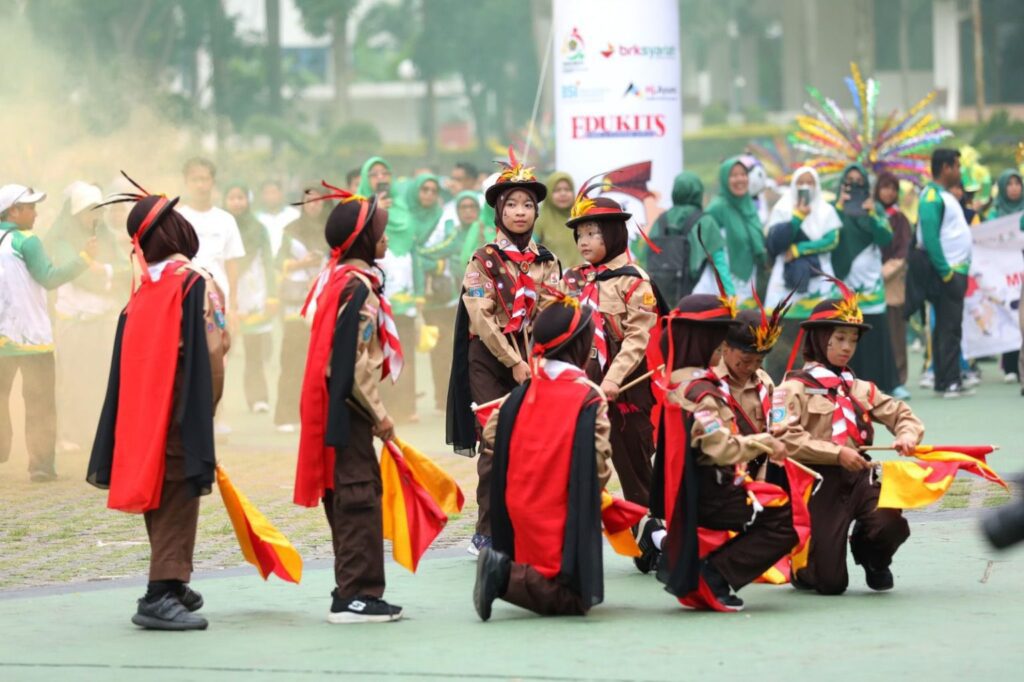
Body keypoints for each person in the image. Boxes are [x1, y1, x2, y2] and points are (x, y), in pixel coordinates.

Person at [87, 179, 229, 630]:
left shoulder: (141, 291)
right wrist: (207, 410)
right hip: (183, 410)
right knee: (178, 496)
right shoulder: (194, 282)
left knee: (161, 494)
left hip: (142, 414)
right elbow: (213, 350)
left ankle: (172, 581)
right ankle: (160, 591)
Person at [292, 184, 403, 623]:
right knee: (358, 495)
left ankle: (351, 589)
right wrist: (381, 416)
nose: (387, 239)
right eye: (381, 232)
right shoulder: (355, 289)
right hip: (347, 409)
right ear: (362, 240)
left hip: (332, 406)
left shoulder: (338, 280)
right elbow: (354, 365)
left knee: (346, 493)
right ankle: (357, 595)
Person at [773, 282, 924, 595]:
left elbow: (900, 413)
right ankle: (807, 565)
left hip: (860, 475)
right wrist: (835, 454)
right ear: (819, 338)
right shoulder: (792, 388)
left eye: (852, 340)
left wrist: (907, 435)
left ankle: (872, 556)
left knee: (890, 525)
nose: (847, 347)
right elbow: (784, 438)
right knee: (829, 583)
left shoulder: (857, 387)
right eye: (839, 339)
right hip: (818, 481)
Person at [446, 148, 561, 556]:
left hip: (536, 363)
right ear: (498, 211)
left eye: (527, 204)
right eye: (511, 204)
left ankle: (528, 527)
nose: (519, 212)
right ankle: (487, 532)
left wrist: (540, 362)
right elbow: (482, 318)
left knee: (536, 448)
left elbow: (556, 312)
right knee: (495, 446)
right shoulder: (482, 261)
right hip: (491, 363)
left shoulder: (548, 261)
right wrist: (513, 362)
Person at [651, 291, 796, 612]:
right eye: (717, 344)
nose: (719, 350)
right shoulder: (703, 392)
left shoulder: (677, 379)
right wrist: (765, 443)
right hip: (713, 490)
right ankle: (714, 573)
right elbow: (720, 448)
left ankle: (701, 567)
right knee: (784, 522)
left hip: (689, 490)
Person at [473, 295, 611, 620]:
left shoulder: (519, 395)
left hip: (519, 506)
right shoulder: (588, 397)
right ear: (579, 347)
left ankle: (513, 572)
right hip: (559, 512)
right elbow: (599, 464)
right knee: (573, 599)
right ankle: (502, 576)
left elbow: (493, 437)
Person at [560, 190, 663, 511]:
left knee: (635, 467)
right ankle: (576, 537)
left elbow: (637, 339)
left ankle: (654, 535)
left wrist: (613, 380)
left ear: (615, 233)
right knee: (577, 465)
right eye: (580, 235)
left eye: (593, 233)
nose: (584, 242)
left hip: (624, 388)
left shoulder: (634, 281)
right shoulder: (573, 280)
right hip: (580, 385)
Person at [0, 183, 95, 482]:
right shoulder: (27, 241)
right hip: (33, 340)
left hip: (2, 340)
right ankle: (41, 466)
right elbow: (50, 278)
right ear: (14, 211)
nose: (36, 213)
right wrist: (84, 259)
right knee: (40, 404)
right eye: (30, 207)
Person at [45, 182, 130, 452]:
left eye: (99, 210)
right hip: (74, 320)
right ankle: (65, 434)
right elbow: (77, 274)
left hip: (103, 318)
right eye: (91, 210)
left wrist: (102, 270)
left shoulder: (104, 234)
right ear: (76, 212)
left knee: (101, 376)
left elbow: (126, 270)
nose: (97, 216)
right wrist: (101, 273)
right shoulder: (61, 239)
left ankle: (95, 430)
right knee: (71, 377)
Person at [762, 166, 843, 380]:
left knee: (819, 332)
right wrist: (797, 216)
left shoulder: (826, 210)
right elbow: (775, 243)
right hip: (785, 283)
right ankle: (782, 379)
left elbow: (832, 240)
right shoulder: (782, 208)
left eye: (810, 183)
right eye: (800, 182)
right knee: (784, 334)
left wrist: (800, 249)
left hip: (820, 281)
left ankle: (822, 380)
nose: (805, 187)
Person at [377, 174, 440, 423]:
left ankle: (406, 405)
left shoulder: (408, 221)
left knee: (405, 355)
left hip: (406, 301)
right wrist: (376, 210)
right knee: (382, 354)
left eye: (391, 195)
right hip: (381, 299)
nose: (388, 200)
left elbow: (414, 259)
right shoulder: (375, 220)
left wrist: (419, 295)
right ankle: (384, 404)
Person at [829, 165, 897, 394]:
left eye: (859, 181)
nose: (855, 185)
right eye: (850, 181)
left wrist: (872, 215)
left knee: (874, 331)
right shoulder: (833, 208)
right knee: (847, 331)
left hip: (871, 281)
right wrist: (839, 207)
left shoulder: (875, 208)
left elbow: (886, 237)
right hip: (845, 281)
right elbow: (828, 234)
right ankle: (845, 383)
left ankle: (881, 386)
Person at [914, 149, 973, 398]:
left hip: (953, 270)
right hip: (947, 272)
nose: (959, 172)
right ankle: (949, 381)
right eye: (957, 166)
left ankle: (944, 379)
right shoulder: (931, 197)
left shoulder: (943, 196)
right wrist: (946, 272)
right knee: (949, 328)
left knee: (947, 328)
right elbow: (929, 238)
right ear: (946, 168)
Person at [418, 190, 483, 411]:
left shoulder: (488, 235)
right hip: (450, 305)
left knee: (478, 352)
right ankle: (442, 399)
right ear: (457, 211)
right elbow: (423, 254)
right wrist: (439, 266)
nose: (468, 212)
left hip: (482, 304)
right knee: (444, 351)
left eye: (472, 207)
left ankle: (476, 396)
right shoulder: (453, 236)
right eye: (463, 208)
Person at [275, 186, 330, 431]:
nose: (314, 205)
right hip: (297, 304)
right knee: (292, 358)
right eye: (309, 201)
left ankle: (321, 413)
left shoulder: (334, 230)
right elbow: (278, 263)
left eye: (319, 201)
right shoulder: (291, 231)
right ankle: (286, 415)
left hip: (327, 301)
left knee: (325, 361)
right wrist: (301, 264)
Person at [225, 182, 277, 413]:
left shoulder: (258, 228)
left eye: (241, 197)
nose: (237, 202)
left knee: (254, 353)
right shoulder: (222, 226)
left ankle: (258, 398)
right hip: (225, 293)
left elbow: (268, 262)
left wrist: (272, 295)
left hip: (252, 294)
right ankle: (217, 401)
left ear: (248, 200)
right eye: (232, 198)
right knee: (221, 353)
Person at [649, 171, 733, 304]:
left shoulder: (660, 220)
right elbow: (719, 262)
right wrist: (730, 295)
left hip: (661, 297)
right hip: (696, 297)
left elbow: (647, 257)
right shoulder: (706, 221)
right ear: (698, 193)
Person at [176, 157, 245, 315]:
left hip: (219, 299)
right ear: (186, 182)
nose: (200, 185)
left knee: (218, 339)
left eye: (205, 179)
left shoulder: (226, 220)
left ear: (213, 182)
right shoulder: (177, 219)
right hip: (186, 297)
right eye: (195, 179)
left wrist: (233, 305)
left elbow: (232, 264)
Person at [706, 157, 767, 306]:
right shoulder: (717, 208)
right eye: (733, 175)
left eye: (743, 174)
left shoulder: (749, 206)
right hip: (726, 285)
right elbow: (715, 253)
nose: (740, 179)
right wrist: (728, 291)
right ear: (724, 179)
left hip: (751, 281)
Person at [876, 172, 913, 400]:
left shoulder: (900, 219)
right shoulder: (869, 215)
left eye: (893, 188)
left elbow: (902, 254)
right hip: (866, 288)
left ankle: (898, 379)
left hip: (891, 285)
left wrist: (878, 274)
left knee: (895, 334)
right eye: (884, 187)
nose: (888, 192)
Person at [989, 169, 1024, 384]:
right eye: (1009, 184)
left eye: (1017, 183)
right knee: (1009, 314)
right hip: (1004, 274)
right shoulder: (995, 214)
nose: (1013, 188)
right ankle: (1010, 364)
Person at [534, 171, 578, 266]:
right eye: (557, 190)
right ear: (549, 193)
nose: (563, 194)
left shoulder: (581, 219)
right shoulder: (540, 221)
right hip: (551, 277)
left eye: (567, 189)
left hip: (583, 277)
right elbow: (531, 252)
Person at [255, 179, 300, 256]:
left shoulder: (294, 215)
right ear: (262, 196)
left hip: (291, 262)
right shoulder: (257, 218)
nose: (270, 196)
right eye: (266, 193)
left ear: (280, 194)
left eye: (273, 192)